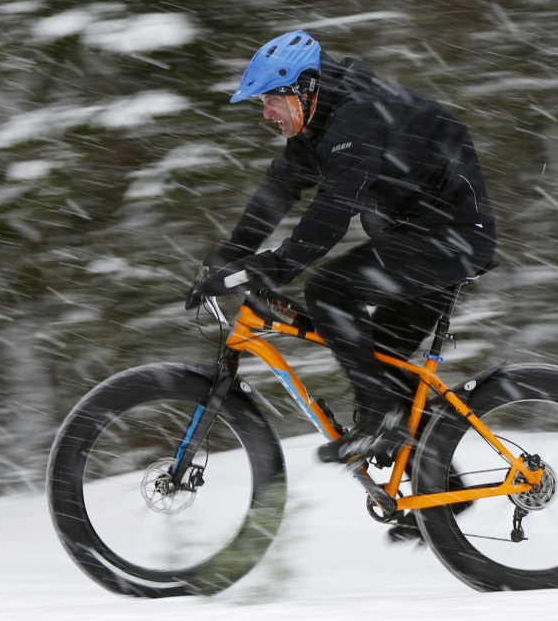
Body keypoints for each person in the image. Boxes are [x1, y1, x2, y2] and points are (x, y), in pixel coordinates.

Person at [186, 30, 496, 466]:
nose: (267, 113)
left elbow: (335, 208)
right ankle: (438, 490)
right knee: (381, 363)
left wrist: (276, 266)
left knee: (330, 291)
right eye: (263, 103)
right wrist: (227, 255)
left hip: (452, 237)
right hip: (421, 238)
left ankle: (384, 422)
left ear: (305, 89)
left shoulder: (359, 114)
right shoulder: (317, 127)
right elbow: (277, 191)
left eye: (271, 99)